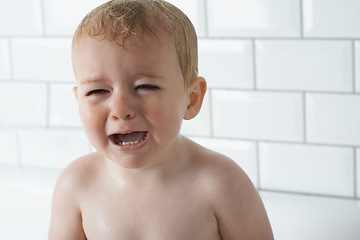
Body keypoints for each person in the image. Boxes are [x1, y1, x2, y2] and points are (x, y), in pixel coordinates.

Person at [48, 0, 274, 239]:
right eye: (97, 91)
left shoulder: (221, 183)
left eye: (145, 86)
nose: (121, 109)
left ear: (191, 98)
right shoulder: (75, 185)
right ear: (79, 101)